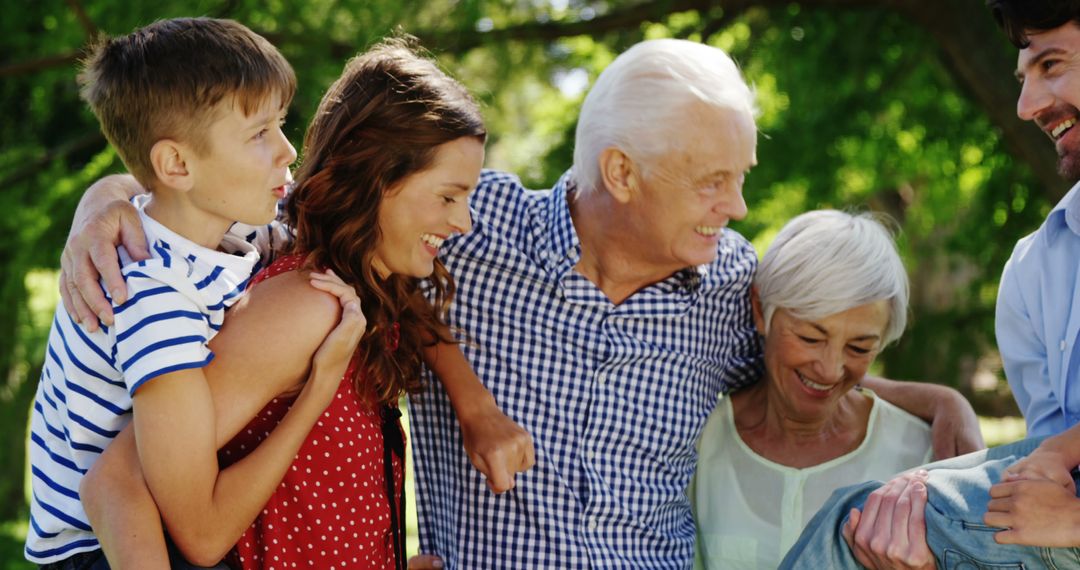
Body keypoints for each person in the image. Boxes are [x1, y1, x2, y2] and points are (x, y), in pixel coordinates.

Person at [63, 39, 981, 569]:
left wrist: (935, 404)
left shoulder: (733, 288)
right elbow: (283, 191)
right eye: (712, 183)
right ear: (620, 172)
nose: (736, 208)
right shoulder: (460, 226)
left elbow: (809, 368)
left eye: (739, 181)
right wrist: (110, 201)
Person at [74, 38, 514, 570]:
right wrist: (103, 203)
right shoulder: (307, 303)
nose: (463, 223)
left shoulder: (352, 285)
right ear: (377, 180)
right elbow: (124, 479)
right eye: (448, 196)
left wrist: (475, 405)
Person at [25, 17, 368, 569]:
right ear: (177, 164)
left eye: (280, 124)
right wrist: (318, 388)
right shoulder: (154, 297)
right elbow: (203, 531)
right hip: (103, 552)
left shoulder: (219, 233)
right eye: (259, 133)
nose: (286, 151)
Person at [777, 2, 1080, 568]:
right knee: (873, 515)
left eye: (1052, 66)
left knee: (843, 532)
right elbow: (1042, 479)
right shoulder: (1035, 269)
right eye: (1023, 79)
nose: (1025, 107)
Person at [690, 210, 933, 569]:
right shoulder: (696, 443)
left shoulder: (923, 456)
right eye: (810, 338)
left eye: (859, 348)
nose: (831, 369)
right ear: (760, 310)